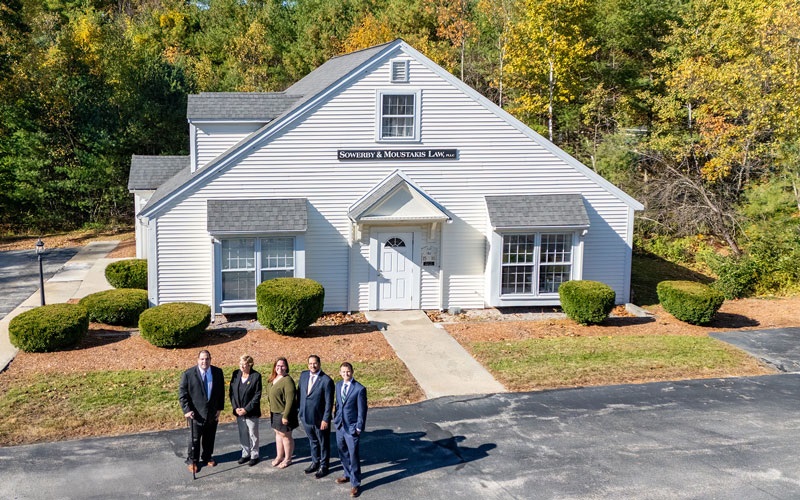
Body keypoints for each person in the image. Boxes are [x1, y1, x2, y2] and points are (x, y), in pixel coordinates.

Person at [179, 349, 225, 473]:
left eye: (207, 359)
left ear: (210, 359)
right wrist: (187, 410)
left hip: (212, 412)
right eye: (202, 359)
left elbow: (221, 392)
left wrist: (219, 409)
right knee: (194, 439)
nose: (204, 361)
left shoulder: (217, 372)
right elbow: (182, 395)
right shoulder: (188, 374)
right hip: (195, 414)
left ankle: (207, 457)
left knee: (209, 437)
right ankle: (193, 460)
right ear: (198, 360)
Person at [333, 362, 367, 498]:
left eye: (348, 371)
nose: (345, 374)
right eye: (343, 371)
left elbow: (362, 410)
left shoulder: (359, 389)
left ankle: (355, 483)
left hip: (352, 427)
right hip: (340, 426)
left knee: (353, 456)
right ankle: (347, 474)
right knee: (342, 451)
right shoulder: (338, 385)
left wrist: (358, 427)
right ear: (340, 372)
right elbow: (338, 404)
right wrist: (336, 419)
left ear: (352, 372)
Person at [298, 354, 335, 478]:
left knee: (323, 443)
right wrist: (300, 411)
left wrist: (326, 419)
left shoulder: (326, 380)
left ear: (319, 364)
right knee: (312, 441)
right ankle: (315, 462)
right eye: (310, 363)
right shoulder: (303, 375)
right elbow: (300, 394)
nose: (312, 366)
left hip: (320, 419)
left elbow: (329, 402)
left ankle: (324, 466)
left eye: (315, 363)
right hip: (305, 416)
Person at [229, 354, 262, 466]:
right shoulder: (236, 374)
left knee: (253, 434)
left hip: (251, 412)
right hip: (239, 411)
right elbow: (232, 393)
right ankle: (245, 453)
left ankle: (254, 455)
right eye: (240, 364)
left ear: (250, 365)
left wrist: (246, 409)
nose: (242, 367)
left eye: (244, 365)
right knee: (243, 433)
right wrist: (235, 408)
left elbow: (257, 395)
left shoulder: (256, 376)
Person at [267, 357, 298, 469]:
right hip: (274, 413)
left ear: (286, 367)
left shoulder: (287, 381)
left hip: (284, 413)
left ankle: (288, 459)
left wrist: (286, 416)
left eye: (282, 366)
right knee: (278, 434)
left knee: (286, 436)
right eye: (278, 366)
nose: (280, 368)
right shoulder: (273, 379)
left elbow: (290, 400)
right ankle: (279, 456)